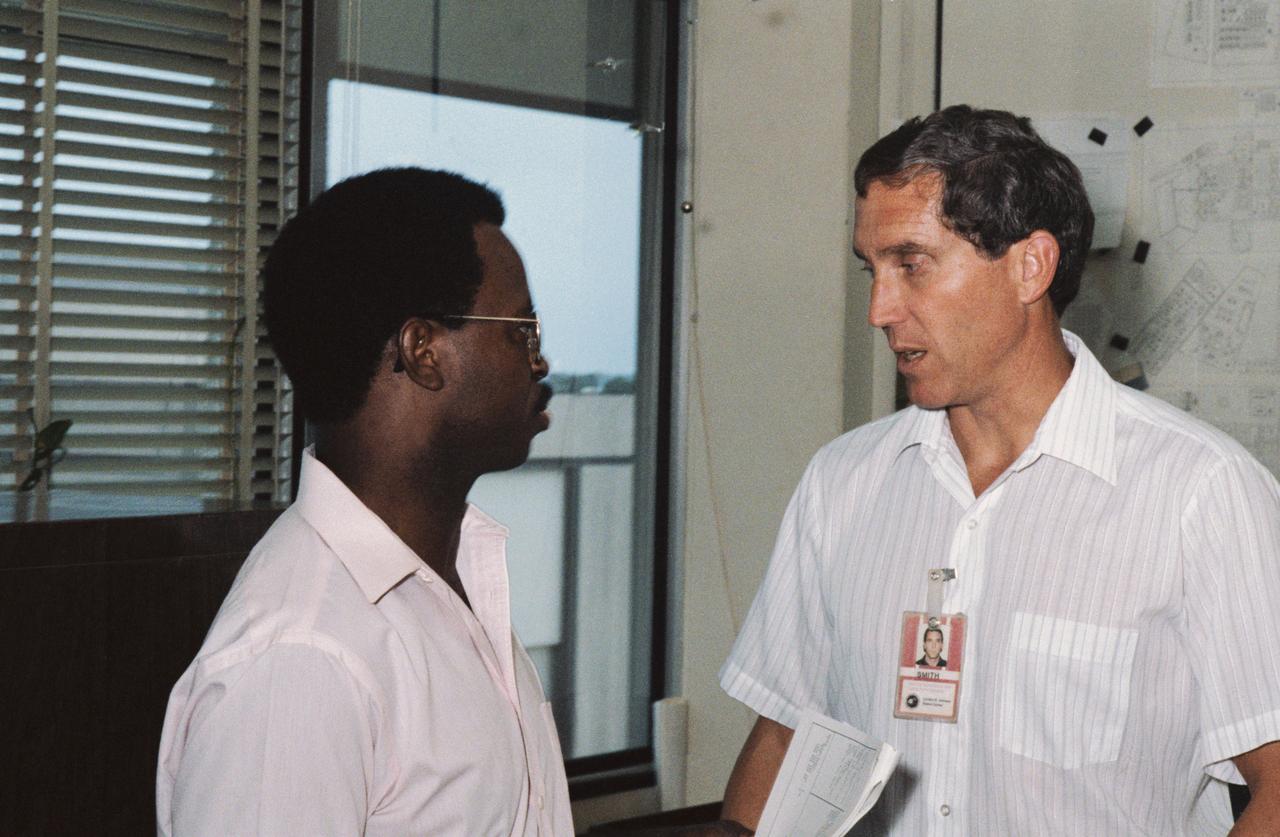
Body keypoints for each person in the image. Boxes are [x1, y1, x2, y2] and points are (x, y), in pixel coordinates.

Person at [718, 106, 1280, 834]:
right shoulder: (841, 483)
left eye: (911, 264)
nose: (879, 309)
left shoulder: (1202, 494)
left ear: (1030, 265)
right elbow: (783, 736)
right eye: (872, 269)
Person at [156, 168, 572, 835]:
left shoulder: (448, 587)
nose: (540, 361)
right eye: (520, 329)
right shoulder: (302, 658)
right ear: (424, 350)